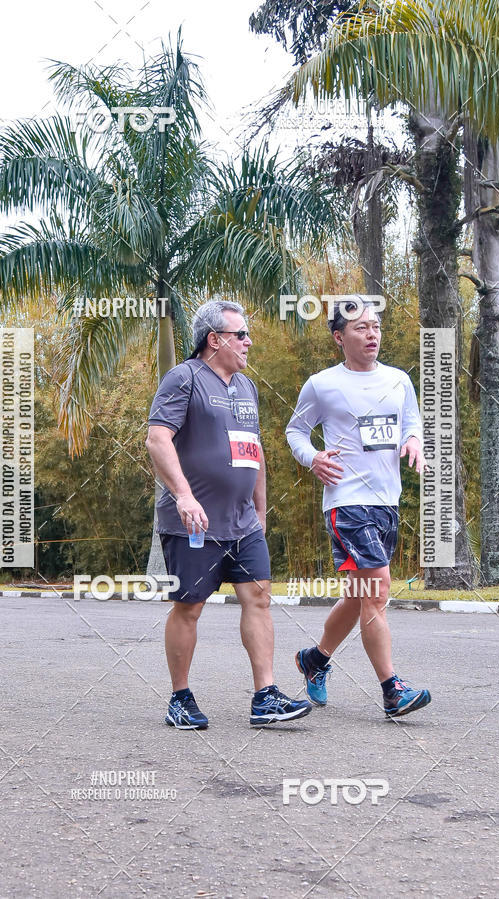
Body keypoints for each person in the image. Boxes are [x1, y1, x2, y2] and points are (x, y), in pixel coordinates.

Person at [146, 299, 312, 729]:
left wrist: (260, 507)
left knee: (258, 598)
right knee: (190, 606)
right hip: (194, 523)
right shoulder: (183, 379)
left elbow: (252, 449)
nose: (249, 342)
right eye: (241, 335)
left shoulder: (247, 388)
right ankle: (180, 699)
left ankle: (265, 696)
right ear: (214, 339)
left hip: (243, 522)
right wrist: (183, 496)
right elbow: (157, 440)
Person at [286, 298, 431, 718]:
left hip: (387, 500)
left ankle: (315, 659)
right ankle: (392, 690)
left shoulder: (399, 380)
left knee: (358, 594)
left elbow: (411, 422)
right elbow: (295, 431)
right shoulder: (322, 384)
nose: (372, 334)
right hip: (347, 501)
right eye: (361, 328)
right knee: (378, 591)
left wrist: (413, 442)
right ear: (339, 337)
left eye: (376, 326)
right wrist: (312, 457)